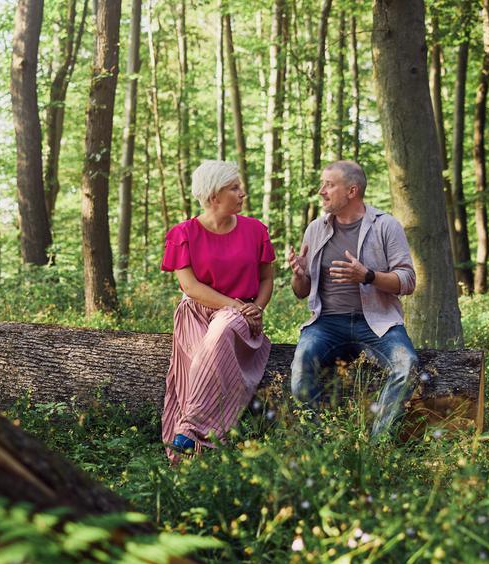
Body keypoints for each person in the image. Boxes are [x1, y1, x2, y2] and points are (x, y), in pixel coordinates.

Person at [287, 160, 420, 439]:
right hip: (326, 324)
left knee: (406, 365)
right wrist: (299, 274)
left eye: (329, 185)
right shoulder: (316, 229)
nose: (322, 191)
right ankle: (325, 444)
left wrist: (368, 276)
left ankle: (376, 444)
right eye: (322, 184)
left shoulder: (386, 226)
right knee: (300, 376)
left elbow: (408, 281)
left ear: (352, 190)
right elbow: (301, 291)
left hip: (376, 324)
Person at [161, 160, 276, 458]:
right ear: (214, 196)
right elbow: (191, 287)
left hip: (238, 318)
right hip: (196, 314)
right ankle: (189, 461)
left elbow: (266, 279)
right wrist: (236, 305)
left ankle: (189, 429)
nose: (242, 193)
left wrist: (256, 309)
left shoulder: (256, 231)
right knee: (192, 375)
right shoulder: (182, 233)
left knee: (224, 326)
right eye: (234, 188)